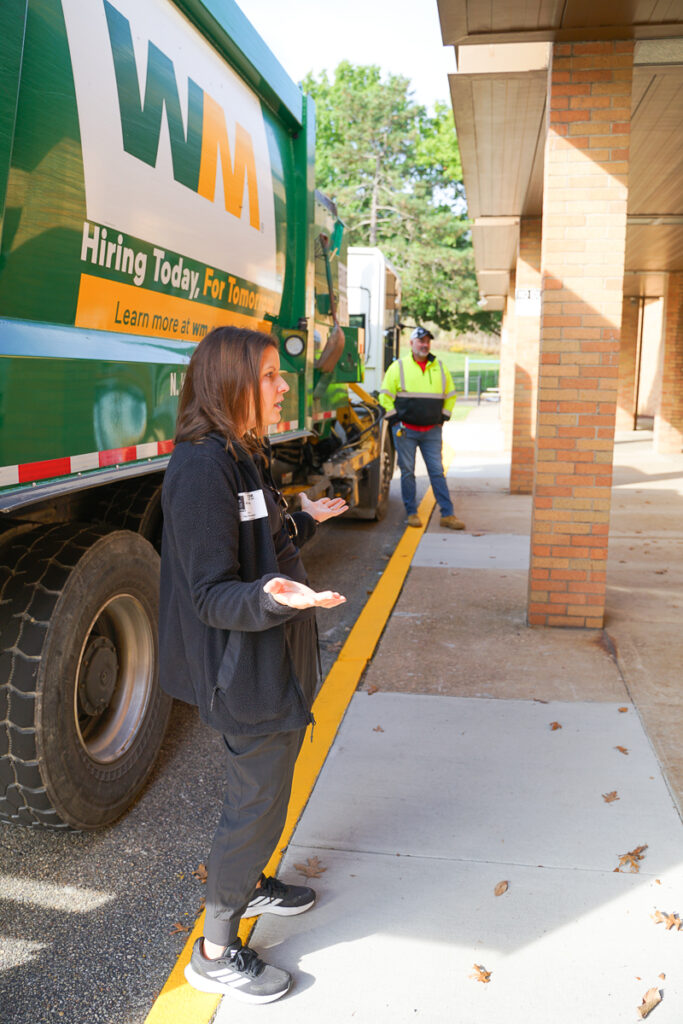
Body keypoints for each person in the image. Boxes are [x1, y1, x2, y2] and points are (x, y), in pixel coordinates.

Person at [159, 325, 348, 1004]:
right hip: (245, 669)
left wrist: (305, 519)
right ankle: (215, 950)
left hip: (275, 659)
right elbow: (211, 591)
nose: (280, 386)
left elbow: (261, 538)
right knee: (255, 805)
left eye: (278, 373)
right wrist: (271, 595)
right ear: (229, 382)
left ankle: (252, 880)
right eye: (268, 375)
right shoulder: (200, 467)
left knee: (263, 800)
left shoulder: (243, 454)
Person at [379, 326, 465, 529]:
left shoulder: (440, 368)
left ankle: (447, 514)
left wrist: (444, 416)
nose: (425, 344)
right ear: (411, 344)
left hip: (432, 431)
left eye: (427, 341)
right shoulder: (398, 367)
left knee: (436, 471)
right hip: (405, 431)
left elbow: (451, 394)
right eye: (421, 341)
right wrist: (396, 421)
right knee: (408, 472)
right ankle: (411, 513)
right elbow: (384, 396)